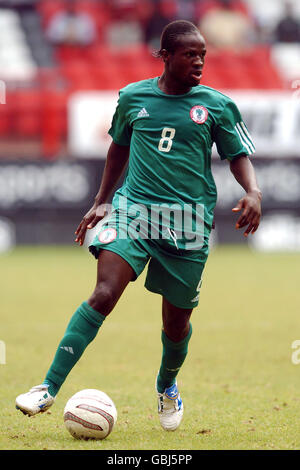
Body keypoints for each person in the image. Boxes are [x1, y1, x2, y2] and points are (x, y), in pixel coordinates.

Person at [16, 20, 262, 432]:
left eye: (203, 54)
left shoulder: (217, 105)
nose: (199, 61)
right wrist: (102, 201)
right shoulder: (133, 98)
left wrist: (252, 191)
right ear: (165, 56)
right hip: (136, 211)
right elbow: (119, 146)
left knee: (176, 323)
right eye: (190, 54)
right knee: (104, 292)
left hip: (188, 222)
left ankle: (167, 385)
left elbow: (238, 154)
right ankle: (48, 386)